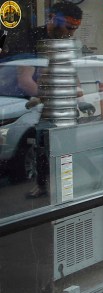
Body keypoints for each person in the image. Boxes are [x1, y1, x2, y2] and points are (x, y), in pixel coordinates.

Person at [0, 1, 83, 199]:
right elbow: (25, 80)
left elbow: (73, 74)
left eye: (75, 29)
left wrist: (78, 92)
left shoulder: (66, 43)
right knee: (44, 146)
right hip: (29, 103)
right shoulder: (31, 39)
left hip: (55, 102)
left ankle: (66, 186)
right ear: (53, 18)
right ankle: (44, 185)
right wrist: (51, 97)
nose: (71, 33)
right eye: (69, 27)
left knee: (67, 148)